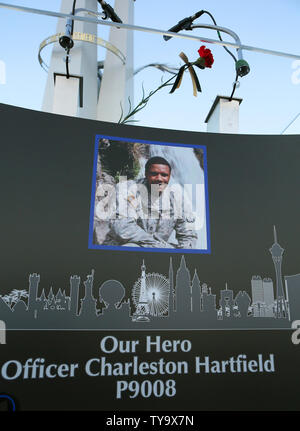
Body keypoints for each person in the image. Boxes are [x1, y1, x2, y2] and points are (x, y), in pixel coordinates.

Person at [98, 156, 198, 249]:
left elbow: (189, 234)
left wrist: (184, 251)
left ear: (169, 177)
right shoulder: (126, 189)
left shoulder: (178, 199)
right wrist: (159, 246)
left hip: (159, 251)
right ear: (146, 174)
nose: (159, 179)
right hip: (123, 247)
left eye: (164, 175)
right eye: (154, 174)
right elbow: (122, 228)